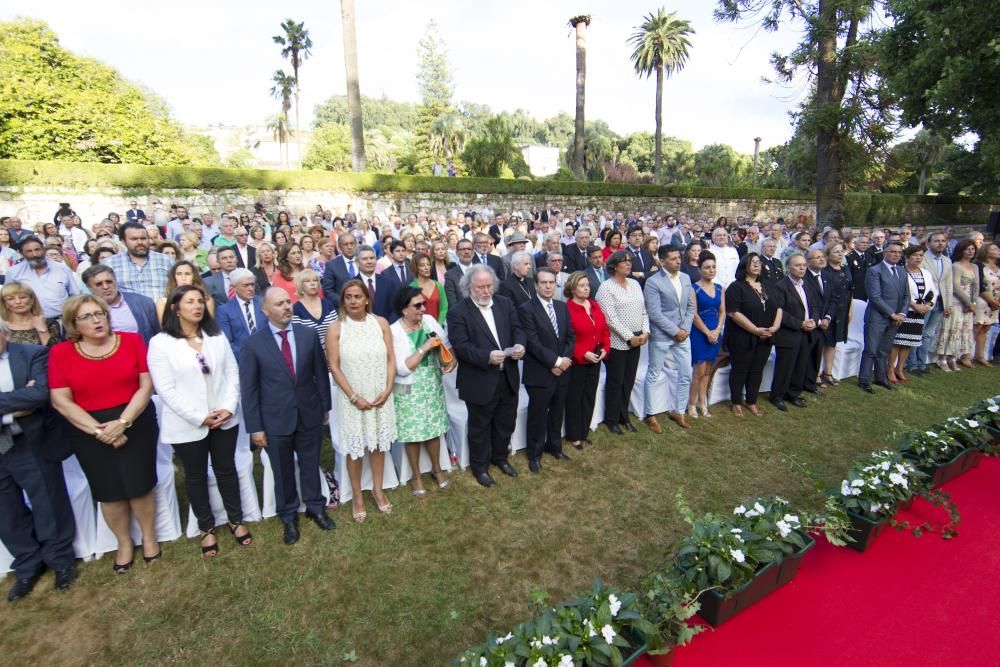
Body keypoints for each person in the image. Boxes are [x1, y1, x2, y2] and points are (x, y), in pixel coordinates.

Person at [49, 295, 160, 572]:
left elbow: (145, 386)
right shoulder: (61, 353)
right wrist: (100, 431)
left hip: (134, 420)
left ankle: (148, 537)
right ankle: (123, 543)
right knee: (109, 490)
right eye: (86, 316)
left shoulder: (131, 341)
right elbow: (61, 400)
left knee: (139, 483)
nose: (96, 320)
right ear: (73, 323)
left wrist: (123, 423)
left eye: (99, 313)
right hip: (88, 428)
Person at [147, 285, 250, 557]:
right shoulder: (161, 343)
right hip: (188, 423)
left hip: (223, 418)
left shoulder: (216, 336)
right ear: (175, 308)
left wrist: (227, 408)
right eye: (190, 301)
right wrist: (199, 417)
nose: (198, 306)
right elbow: (165, 389)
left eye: (200, 301)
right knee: (195, 476)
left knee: (226, 469)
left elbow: (232, 373)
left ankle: (236, 519)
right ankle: (206, 527)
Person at [239, 287, 334, 545]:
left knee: (310, 462)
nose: (286, 307)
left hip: (309, 412)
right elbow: (249, 390)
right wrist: (255, 427)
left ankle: (316, 507)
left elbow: (319, 372)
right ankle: (288, 515)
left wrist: (325, 405)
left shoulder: (307, 335)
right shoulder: (253, 345)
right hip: (275, 419)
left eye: (288, 302)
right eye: (279, 304)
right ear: (265, 310)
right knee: (282, 470)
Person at [0, 322, 78, 600]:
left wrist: (27, 398)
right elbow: (26, 397)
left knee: (48, 500)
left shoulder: (32, 354)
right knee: (6, 511)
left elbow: (39, 394)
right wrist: (12, 408)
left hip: (28, 443)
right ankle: (27, 565)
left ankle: (60, 560)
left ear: (5, 334)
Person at [446, 265, 526, 487]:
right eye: (480, 287)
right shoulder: (458, 312)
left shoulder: (505, 303)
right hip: (479, 379)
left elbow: (518, 328)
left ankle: (500, 458)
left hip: (507, 375)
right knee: (480, 427)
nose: (486, 291)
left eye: (489, 286)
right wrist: (486, 357)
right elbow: (461, 347)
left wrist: (520, 344)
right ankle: (480, 467)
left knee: (505, 422)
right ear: (469, 287)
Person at [327, 280, 397, 522]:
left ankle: (377, 490)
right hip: (352, 397)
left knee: (378, 443)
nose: (353, 301)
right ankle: (357, 495)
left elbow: (390, 358)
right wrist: (354, 397)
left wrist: (388, 389)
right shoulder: (337, 328)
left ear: (367, 299)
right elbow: (334, 367)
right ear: (343, 300)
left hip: (380, 395)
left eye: (358, 296)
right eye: (348, 297)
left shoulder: (380, 323)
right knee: (356, 449)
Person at [389, 286, 454, 495]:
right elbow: (402, 367)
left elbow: (446, 345)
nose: (423, 308)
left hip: (430, 384)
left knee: (433, 429)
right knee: (412, 433)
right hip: (405, 388)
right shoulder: (394, 331)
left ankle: (436, 469)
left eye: (423, 303)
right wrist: (424, 347)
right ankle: (416, 477)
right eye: (417, 305)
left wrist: (449, 361)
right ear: (403, 309)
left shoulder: (429, 322)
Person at [519, 268, 574, 473]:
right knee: (538, 415)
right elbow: (532, 342)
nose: (548, 286)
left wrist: (564, 361)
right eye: (543, 283)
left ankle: (555, 446)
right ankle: (534, 454)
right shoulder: (526, 309)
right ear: (536, 285)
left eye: (551, 282)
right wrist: (556, 362)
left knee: (558, 411)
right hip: (540, 372)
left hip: (563, 370)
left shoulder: (561, 307)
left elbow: (570, 336)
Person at [596, 251, 649, 435]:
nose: (628, 264)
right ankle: (612, 419)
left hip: (637, 338)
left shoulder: (635, 284)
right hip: (617, 341)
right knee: (615, 381)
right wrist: (629, 336)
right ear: (614, 265)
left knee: (629, 380)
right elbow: (609, 318)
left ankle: (623, 416)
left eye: (630, 261)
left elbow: (643, 311)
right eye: (624, 261)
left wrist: (645, 331)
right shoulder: (606, 288)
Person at [642, 246, 695, 432]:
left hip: (683, 334)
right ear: (662, 261)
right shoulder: (653, 282)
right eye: (673, 258)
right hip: (662, 336)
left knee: (686, 373)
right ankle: (650, 414)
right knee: (654, 374)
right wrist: (675, 331)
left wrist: (685, 329)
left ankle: (679, 410)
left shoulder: (686, 278)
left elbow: (690, 307)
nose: (678, 261)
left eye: (679, 257)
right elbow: (654, 313)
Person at [725, 253, 780, 416]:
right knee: (740, 369)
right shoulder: (737, 287)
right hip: (742, 336)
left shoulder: (768, 285)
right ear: (745, 266)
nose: (757, 265)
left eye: (759, 262)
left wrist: (775, 327)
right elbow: (733, 313)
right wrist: (755, 330)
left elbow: (778, 307)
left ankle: (751, 401)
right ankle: (736, 403)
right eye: (753, 262)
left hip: (766, 335)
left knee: (757, 369)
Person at [564, 272, 609, 450]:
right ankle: (574, 435)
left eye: (587, 285)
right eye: (582, 285)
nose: (586, 288)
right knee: (575, 398)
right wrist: (582, 353)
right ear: (573, 288)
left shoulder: (595, 305)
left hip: (596, 359)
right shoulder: (567, 308)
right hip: (577, 362)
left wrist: (605, 348)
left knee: (590, 396)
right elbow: (567, 338)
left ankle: (584, 431)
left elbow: (604, 330)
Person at [770, 254, 821, 410]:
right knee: (785, 367)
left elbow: (814, 306)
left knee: (801, 365)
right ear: (788, 268)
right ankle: (777, 396)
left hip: (807, 332)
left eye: (804, 265)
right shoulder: (780, 286)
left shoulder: (807, 285)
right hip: (788, 333)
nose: (802, 268)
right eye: (798, 265)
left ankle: (793, 393)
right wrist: (800, 324)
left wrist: (814, 320)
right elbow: (780, 312)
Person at [858, 242, 909, 392]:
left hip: (895, 319)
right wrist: (892, 314)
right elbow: (875, 297)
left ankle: (881, 378)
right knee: (871, 350)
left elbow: (906, 296)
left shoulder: (901, 271)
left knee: (884, 350)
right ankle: (864, 380)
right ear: (884, 253)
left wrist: (902, 314)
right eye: (893, 252)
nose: (896, 255)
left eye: (899, 252)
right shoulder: (875, 271)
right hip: (877, 317)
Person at [888, 246, 936, 382]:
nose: (918, 258)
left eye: (920, 255)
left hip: (920, 313)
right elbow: (899, 292)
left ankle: (900, 368)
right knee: (897, 342)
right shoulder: (900, 272)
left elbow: (933, 291)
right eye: (915, 255)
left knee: (908, 342)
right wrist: (914, 305)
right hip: (904, 311)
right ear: (907, 257)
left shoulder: (926, 273)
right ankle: (890, 369)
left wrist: (927, 305)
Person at [5, 236, 81, 319]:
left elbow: (75, 295)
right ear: (22, 253)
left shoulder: (62, 269)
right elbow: (8, 298)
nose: (35, 254)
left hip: (62, 321)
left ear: (43, 250)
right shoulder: (13, 272)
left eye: (37, 250)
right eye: (29, 251)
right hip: (29, 322)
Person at [82, 265, 160, 345]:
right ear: (89, 287)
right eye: (99, 284)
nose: (105, 287)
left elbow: (158, 333)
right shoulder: (83, 311)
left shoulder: (143, 303)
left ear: (115, 281)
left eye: (109, 282)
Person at [932, 239, 979, 370]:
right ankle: (942, 359)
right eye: (967, 249)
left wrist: (973, 302)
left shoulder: (974, 266)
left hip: (969, 304)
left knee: (963, 330)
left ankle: (953, 357)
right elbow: (956, 287)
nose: (970, 252)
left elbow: (976, 286)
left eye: (973, 249)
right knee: (951, 329)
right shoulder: (956, 266)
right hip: (956, 301)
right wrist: (967, 302)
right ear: (961, 250)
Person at [689, 251, 725, 418]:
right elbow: (694, 314)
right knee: (699, 370)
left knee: (709, 369)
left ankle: (703, 402)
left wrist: (717, 330)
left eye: (713, 267)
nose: (711, 270)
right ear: (700, 269)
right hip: (699, 333)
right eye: (707, 267)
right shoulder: (694, 289)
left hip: (715, 332)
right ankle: (691, 404)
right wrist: (707, 332)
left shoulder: (720, 288)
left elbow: (722, 312)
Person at [103, 222, 174, 300]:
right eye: (134, 239)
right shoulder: (110, 264)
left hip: (161, 310)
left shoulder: (166, 261)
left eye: (143, 238)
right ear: (123, 241)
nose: (140, 242)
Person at [914, 232, 952, 373]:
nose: (940, 243)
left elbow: (948, 284)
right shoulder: (922, 259)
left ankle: (922, 362)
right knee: (917, 332)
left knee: (928, 334)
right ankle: (912, 363)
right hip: (924, 302)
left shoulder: (947, 261)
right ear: (929, 243)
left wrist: (948, 304)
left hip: (940, 302)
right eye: (937, 241)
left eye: (943, 241)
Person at [818, 243, 853, 385]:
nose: (840, 254)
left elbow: (850, 290)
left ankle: (828, 372)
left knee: (832, 343)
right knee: (821, 343)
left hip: (842, 310)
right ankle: (816, 374)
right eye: (836, 251)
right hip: (827, 310)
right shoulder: (824, 271)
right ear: (827, 254)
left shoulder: (845, 269)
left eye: (841, 251)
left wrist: (850, 310)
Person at [216, 268, 265, 361]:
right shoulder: (224, 310)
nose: (250, 289)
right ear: (234, 287)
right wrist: (246, 358)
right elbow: (227, 342)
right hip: (242, 360)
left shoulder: (264, 302)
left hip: (269, 357)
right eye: (246, 285)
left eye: (252, 284)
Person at [0, 282, 62, 347]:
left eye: (22, 297)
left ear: (32, 300)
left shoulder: (50, 323)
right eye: (10, 299)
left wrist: (43, 330)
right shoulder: (1, 326)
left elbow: (55, 352)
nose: (18, 302)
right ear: (5, 303)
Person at [291, 269, 338, 350]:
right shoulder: (296, 309)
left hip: (332, 352)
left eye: (315, 280)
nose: (312, 283)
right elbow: (297, 338)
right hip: (309, 355)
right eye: (308, 281)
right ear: (301, 285)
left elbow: (338, 330)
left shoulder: (328, 304)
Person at [973, 242, 1000, 365]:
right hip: (983, 301)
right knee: (976, 327)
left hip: (995, 304)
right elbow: (979, 286)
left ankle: (980, 356)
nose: (998, 250)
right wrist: (991, 300)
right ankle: (966, 355)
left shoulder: (998, 266)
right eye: (994, 249)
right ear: (986, 251)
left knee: (986, 328)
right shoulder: (979, 266)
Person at [320, 232, 358, 307]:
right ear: (340, 247)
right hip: (342, 309)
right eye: (346, 244)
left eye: (352, 243)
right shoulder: (332, 265)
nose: (349, 247)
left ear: (356, 245)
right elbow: (328, 291)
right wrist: (344, 302)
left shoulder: (363, 261)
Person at [409, 252, 448, 324]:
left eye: (428, 265)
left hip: (439, 328)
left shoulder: (438, 285)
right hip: (420, 329)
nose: (426, 268)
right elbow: (412, 312)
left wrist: (438, 326)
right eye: (422, 265)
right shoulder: (411, 287)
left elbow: (444, 308)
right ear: (416, 267)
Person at [444, 239, 475, 308]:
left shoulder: (482, 271)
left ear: (473, 252)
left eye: (469, 249)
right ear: (457, 253)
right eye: (463, 249)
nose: (466, 252)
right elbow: (453, 305)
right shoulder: (450, 276)